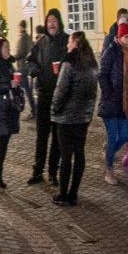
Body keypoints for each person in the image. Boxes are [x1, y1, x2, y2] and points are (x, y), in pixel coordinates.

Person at [51, 31, 98, 206]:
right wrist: (88, 113)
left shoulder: (69, 63)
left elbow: (60, 92)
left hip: (66, 118)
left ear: (75, 44)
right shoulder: (92, 63)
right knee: (79, 154)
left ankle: (63, 194)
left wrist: (54, 110)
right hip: (83, 118)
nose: (67, 45)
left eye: (69, 42)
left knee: (66, 156)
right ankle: (73, 193)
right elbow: (93, 92)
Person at [26, 9, 68, 186]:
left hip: (60, 96)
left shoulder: (66, 41)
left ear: (59, 22)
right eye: (49, 21)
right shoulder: (41, 41)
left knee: (57, 137)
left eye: (54, 20)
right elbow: (30, 60)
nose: (51, 24)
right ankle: (37, 171)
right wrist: (35, 71)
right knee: (42, 135)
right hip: (43, 94)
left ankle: (52, 172)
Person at [98, 21, 128, 185]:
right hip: (111, 103)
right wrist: (108, 94)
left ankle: (108, 150)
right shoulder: (111, 52)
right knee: (113, 135)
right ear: (118, 37)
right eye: (125, 36)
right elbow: (102, 75)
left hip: (125, 103)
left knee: (123, 136)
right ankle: (109, 171)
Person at [0, 37, 24, 192]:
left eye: (9, 47)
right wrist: (9, 85)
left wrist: (15, 86)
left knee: (5, 144)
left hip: (9, 109)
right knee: (1, 145)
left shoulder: (9, 65)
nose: (8, 50)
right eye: (5, 47)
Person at [14, 20, 37, 115]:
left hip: (22, 67)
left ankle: (31, 109)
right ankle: (33, 109)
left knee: (25, 90)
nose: (18, 28)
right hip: (24, 67)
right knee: (26, 90)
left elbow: (20, 53)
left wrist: (12, 57)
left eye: (19, 26)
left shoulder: (23, 38)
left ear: (22, 27)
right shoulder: (26, 37)